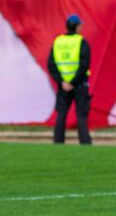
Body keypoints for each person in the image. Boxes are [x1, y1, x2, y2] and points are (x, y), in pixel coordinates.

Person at [47, 14, 92, 145]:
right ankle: (85, 144)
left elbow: (51, 65)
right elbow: (84, 64)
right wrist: (73, 82)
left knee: (61, 115)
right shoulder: (81, 42)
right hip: (79, 84)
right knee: (81, 116)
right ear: (77, 27)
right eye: (80, 25)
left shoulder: (58, 42)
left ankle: (58, 143)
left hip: (63, 85)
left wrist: (62, 82)